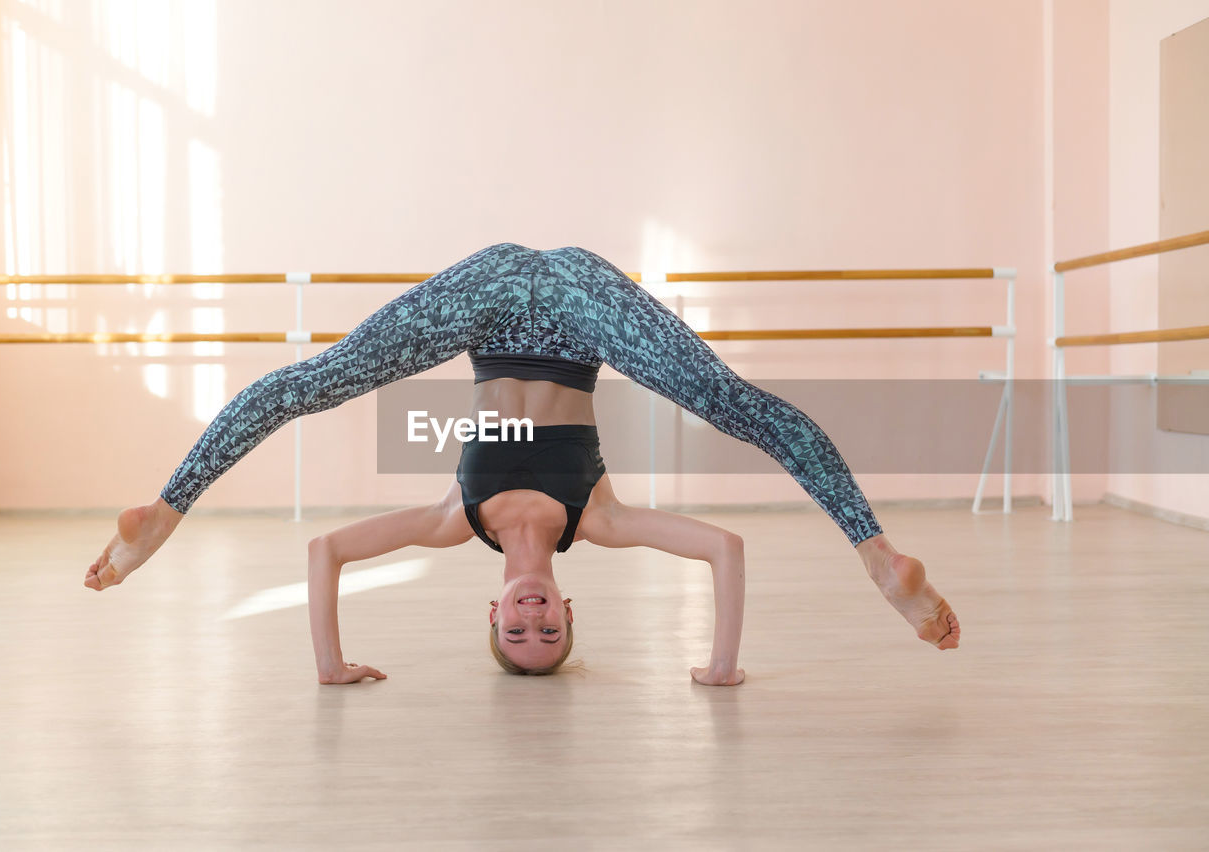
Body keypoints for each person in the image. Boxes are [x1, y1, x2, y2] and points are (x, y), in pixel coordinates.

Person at [84, 243, 960, 683]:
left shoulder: (450, 521)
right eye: (551, 633)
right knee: (729, 403)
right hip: (582, 307)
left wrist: (330, 667)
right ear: (570, 610)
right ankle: (876, 555)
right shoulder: (601, 521)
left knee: (323, 380)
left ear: (492, 608)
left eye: (515, 633)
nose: (532, 621)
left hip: (491, 304)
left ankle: (168, 508)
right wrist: (721, 666)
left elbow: (327, 554)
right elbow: (724, 549)